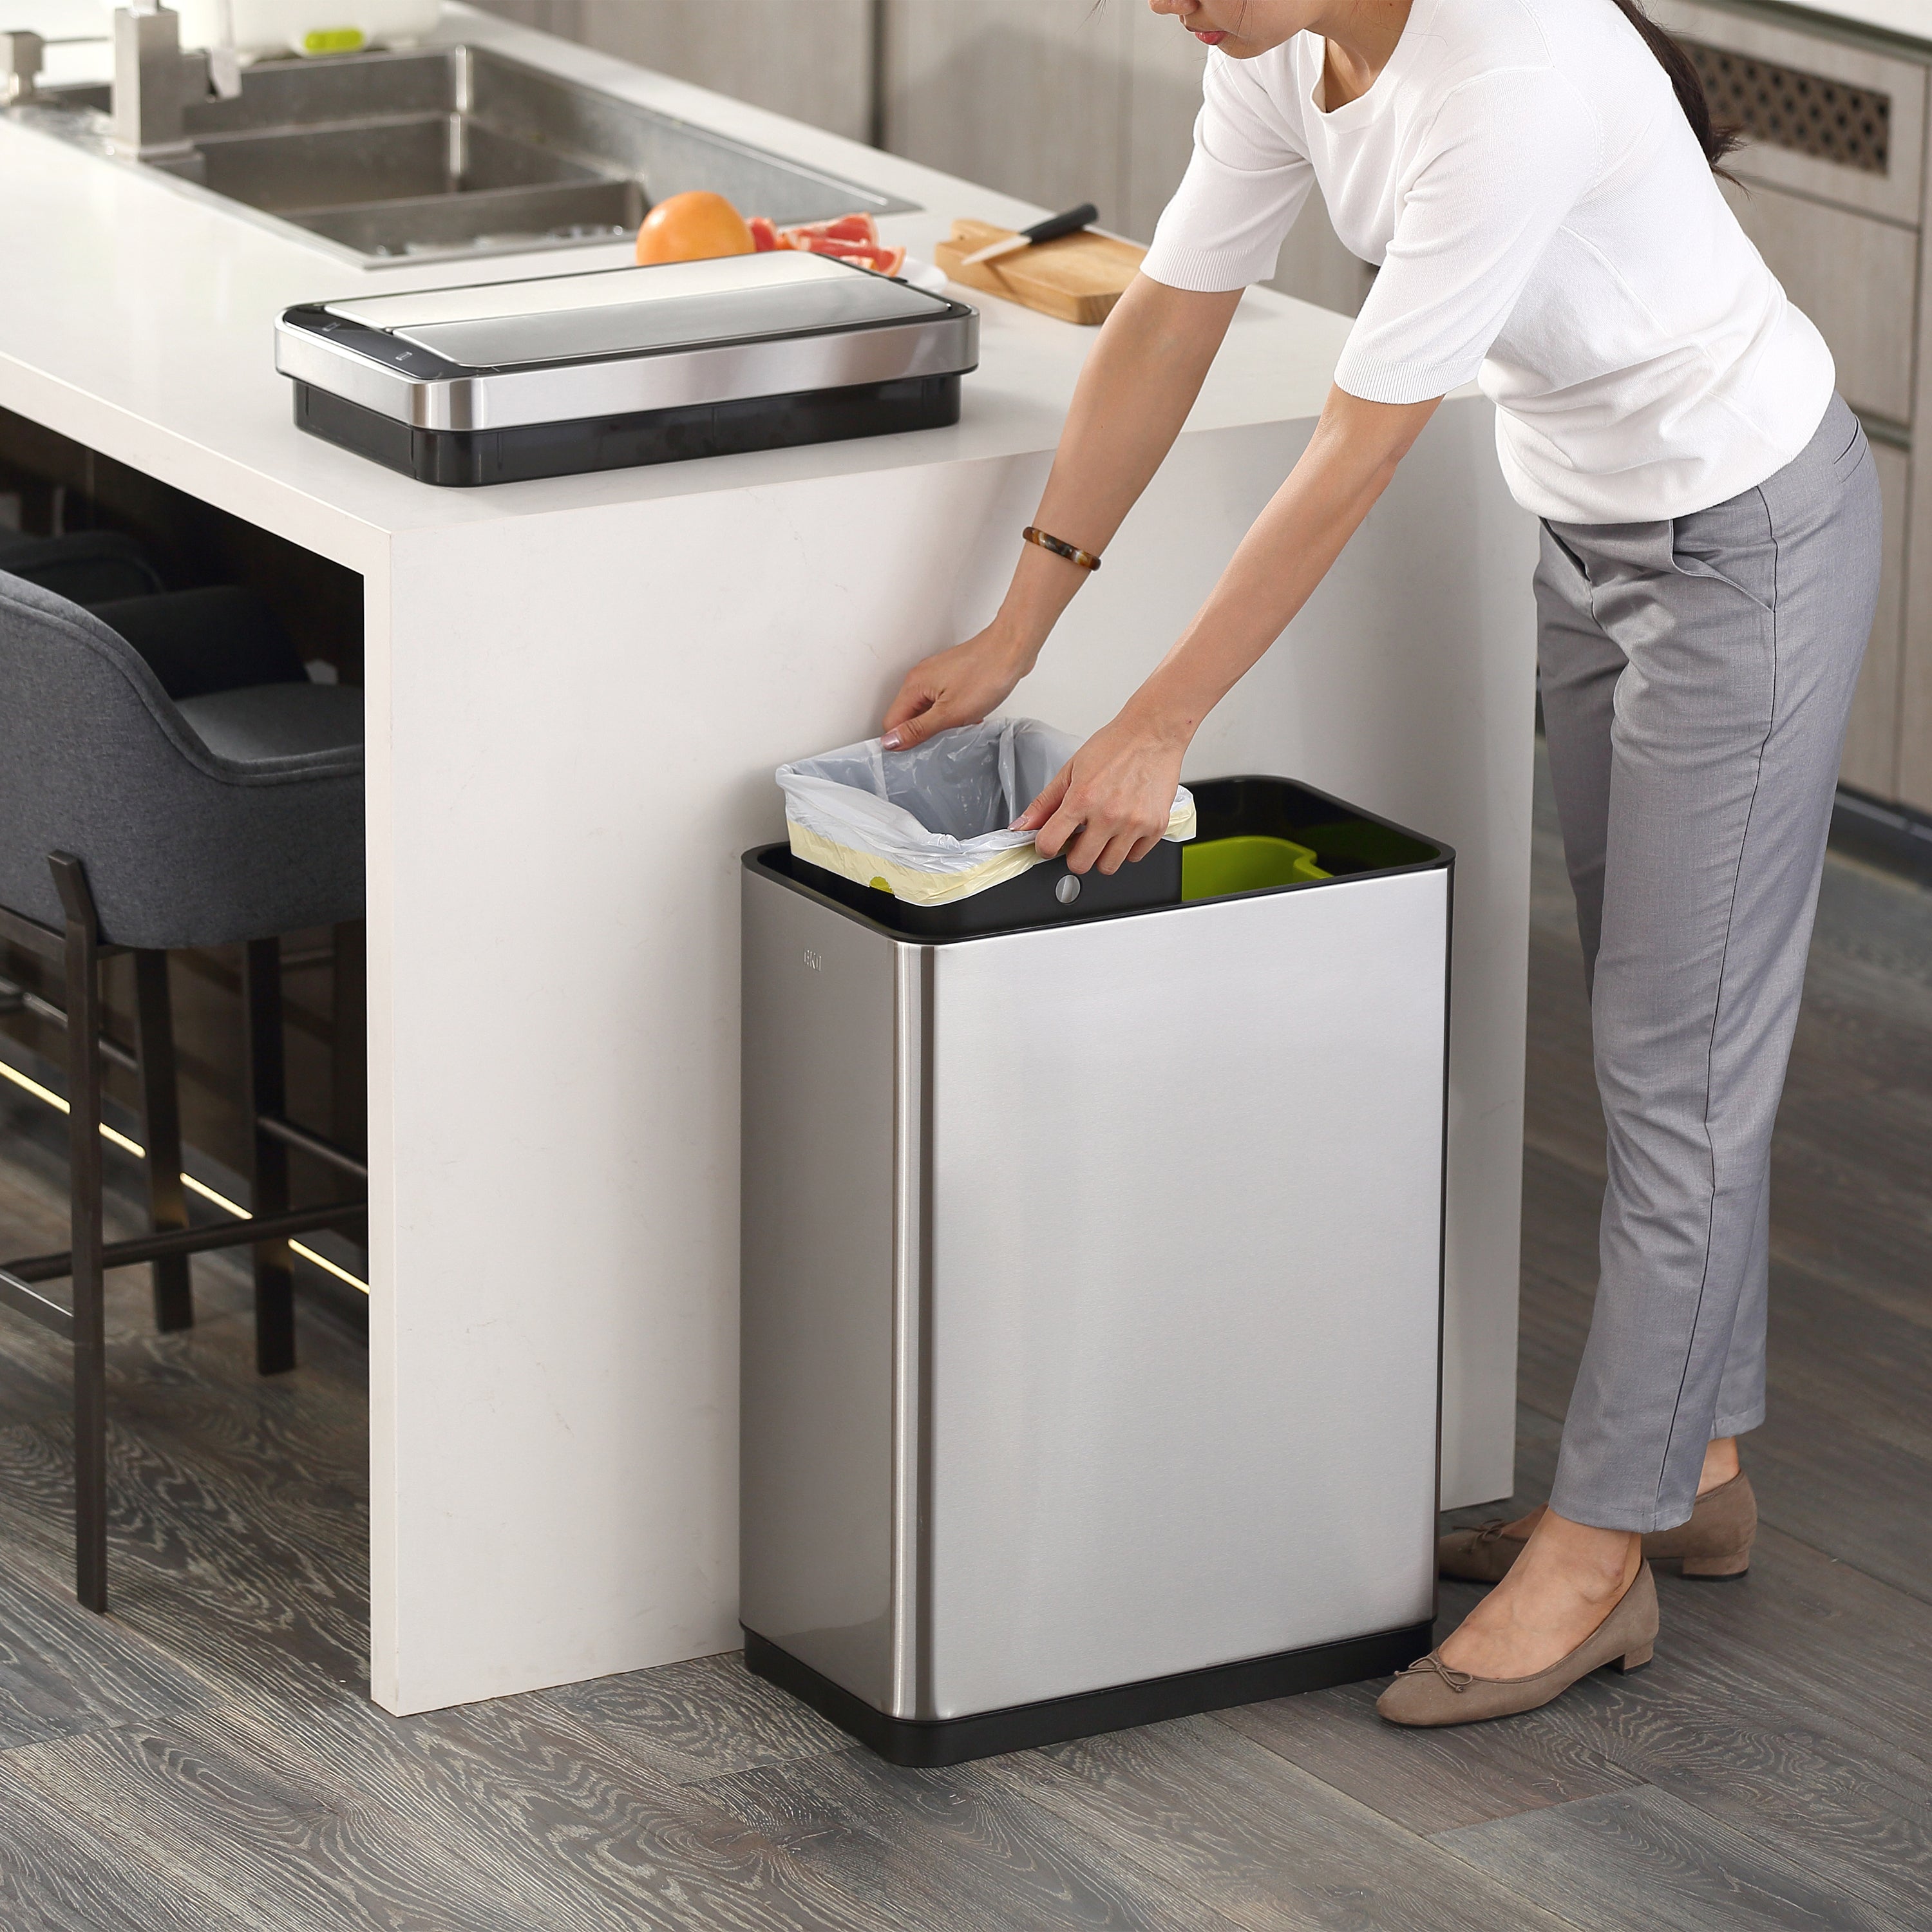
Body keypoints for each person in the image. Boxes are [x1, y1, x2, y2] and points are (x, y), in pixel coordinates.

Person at [880, 0, 1880, 1725]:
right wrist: (1019, 629)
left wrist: (1161, 719)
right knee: (1666, 1034)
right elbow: (1168, 319)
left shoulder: (1510, 73)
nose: (1169, 3)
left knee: (1679, 1063)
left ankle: (1602, 1554)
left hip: (1744, 546)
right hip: (1594, 534)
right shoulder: (1285, 49)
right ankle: (1694, 1469)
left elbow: (1358, 450)